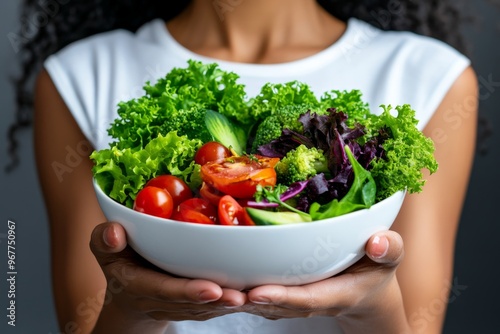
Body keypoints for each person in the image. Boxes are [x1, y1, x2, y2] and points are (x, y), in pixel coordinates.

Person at [14, 0, 477, 333]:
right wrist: (135, 310)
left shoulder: (427, 76)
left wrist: (371, 306)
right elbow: (88, 320)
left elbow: (417, 322)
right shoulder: (80, 76)